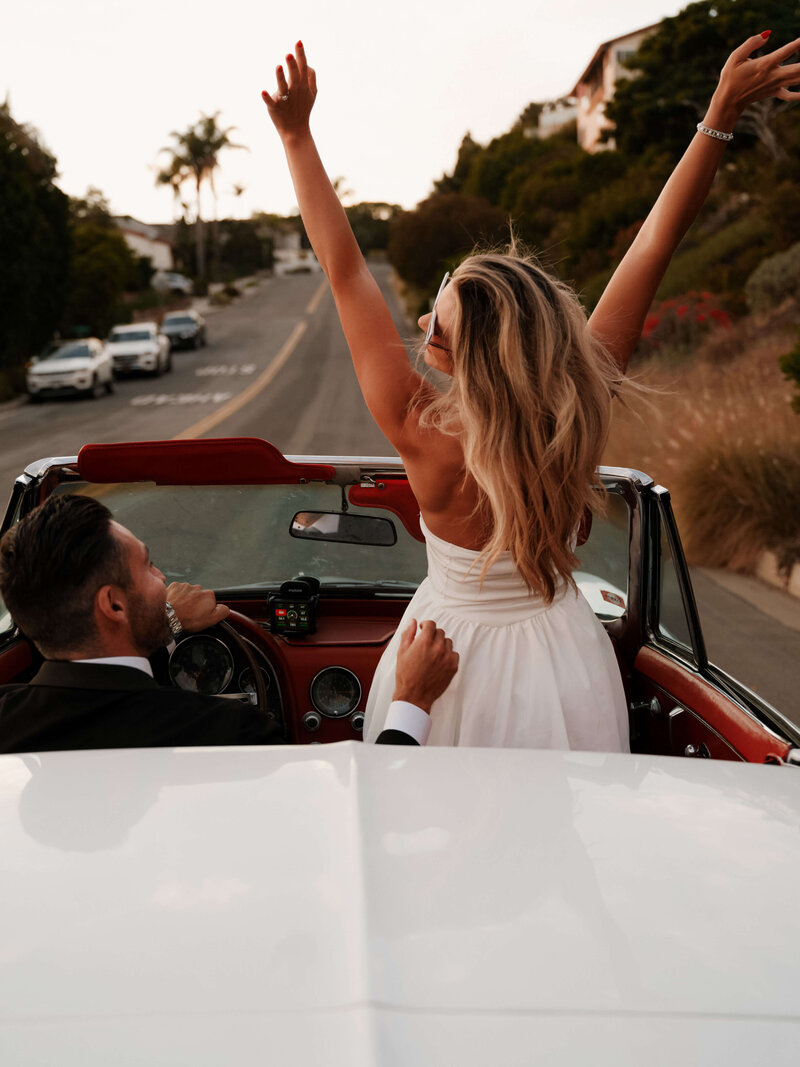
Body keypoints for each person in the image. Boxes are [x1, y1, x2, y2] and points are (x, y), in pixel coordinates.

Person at [261, 35, 800, 749]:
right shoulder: (577, 406)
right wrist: (718, 115)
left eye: (436, 322)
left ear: (466, 357)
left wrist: (297, 137)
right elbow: (655, 242)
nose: (422, 321)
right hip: (563, 662)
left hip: (442, 659)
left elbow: (345, 270)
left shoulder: (421, 430)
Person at [0, 494, 458, 753]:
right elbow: (367, 812)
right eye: (150, 566)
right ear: (113, 607)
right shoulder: (226, 733)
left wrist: (171, 620)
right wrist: (412, 701)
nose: (165, 579)